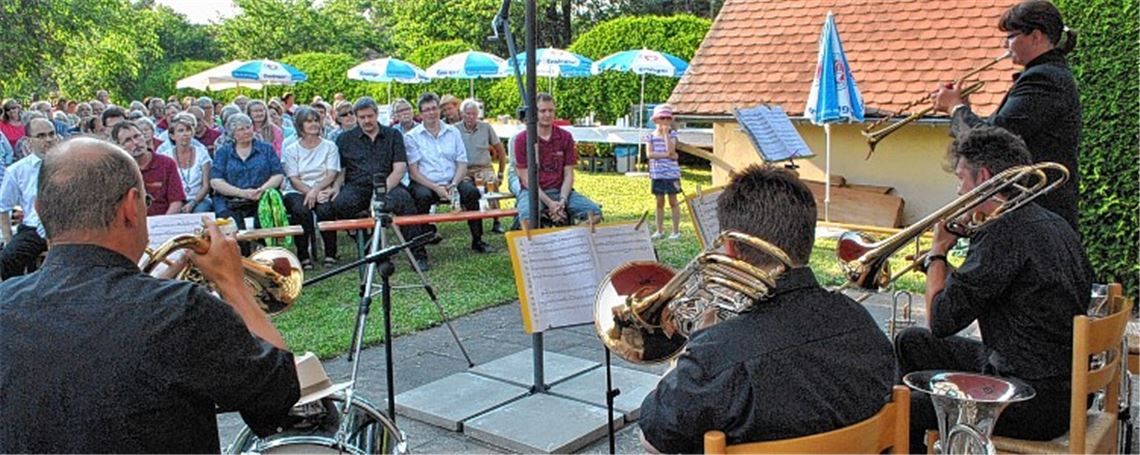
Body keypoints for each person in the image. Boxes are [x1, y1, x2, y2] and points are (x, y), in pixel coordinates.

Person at [0, 136, 299, 452]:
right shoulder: (180, 309)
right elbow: (279, 396)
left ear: (39, 209)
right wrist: (233, 285)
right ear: (131, 206)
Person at [639, 164, 895, 453]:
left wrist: (688, 353)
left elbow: (654, 437)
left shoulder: (715, 357)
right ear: (807, 239)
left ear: (732, 249)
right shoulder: (862, 323)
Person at [895, 126, 1091, 453]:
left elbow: (941, 321)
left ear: (983, 177)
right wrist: (943, 271)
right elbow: (1000, 287)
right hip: (1060, 387)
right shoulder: (1052, 222)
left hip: (1029, 401)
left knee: (901, 406)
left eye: (961, 179)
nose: (958, 192)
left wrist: (938, 253)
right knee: (911, 342)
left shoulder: (1002, 230)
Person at [932, 0, 1080, 231]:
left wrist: (955, 109)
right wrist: (964, 109)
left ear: (1036, 36)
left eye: (1011, 36)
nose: (1005, 44)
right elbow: (997, 129)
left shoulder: (1043, 79)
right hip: (1030, 211)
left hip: (1035, 213)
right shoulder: (1044, 74)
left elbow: (992, 142)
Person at [327, 97, 424, 266]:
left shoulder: (393, 135)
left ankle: (418, 253)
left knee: (406, 202)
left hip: (388, 184)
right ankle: (371, 246)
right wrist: (336, 187)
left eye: (370, 116)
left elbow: (399, 168)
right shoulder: (344, 139)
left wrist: (380, 191)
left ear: (377, 114)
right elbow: (341, 170)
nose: (367, 120)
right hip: (357, 186)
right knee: (340, 204)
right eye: (362, 117)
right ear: (356, 117)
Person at [405, 93, 491, 258]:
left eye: (434, 108)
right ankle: (419, 250)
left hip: (454, 180)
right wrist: (436, 188)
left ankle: (478, 240)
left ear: (439, 110)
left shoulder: (453, 132)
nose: (431, 113)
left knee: (472, 193)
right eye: (426, 110)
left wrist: (453, 183)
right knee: (420, 197)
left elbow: (462, 162)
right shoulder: (412, 137)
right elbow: (414, 173)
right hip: (425, 183)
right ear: (421, 114)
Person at [512, 92, 601, 226]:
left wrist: (562, 201)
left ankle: (571, 237)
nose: (547, 115)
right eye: (543, 111)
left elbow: (569, 174)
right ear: (534, 113)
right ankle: (538, 245)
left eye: (551, 110)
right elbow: (526, 180)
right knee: (526, 220)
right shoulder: (522, 139)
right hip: (534, 192)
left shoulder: (565, 137)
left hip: (561, 190)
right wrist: (550, 203)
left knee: (595, 214)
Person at [210, 113, 285, 254]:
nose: (247, 131)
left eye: (248, 127)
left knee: (266, 215)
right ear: (233, 134)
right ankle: (241, 257)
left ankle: (266, 253)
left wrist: (261, 190)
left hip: (261, 197)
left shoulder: (266, 149)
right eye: (241, 129)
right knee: (231, 223)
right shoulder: (223, 152)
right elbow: (216, 181)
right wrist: (242, 193)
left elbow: (278, 174)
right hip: (231, 199)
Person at [281, 106, 341, 269]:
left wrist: (316, 191)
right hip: (297, 190)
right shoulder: (291, 149)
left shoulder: (330, 146)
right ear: (300, 125)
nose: (313, 124)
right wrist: (310, 192)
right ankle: (303, 255)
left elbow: (331, 173)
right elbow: (293, 179)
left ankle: (330, 253)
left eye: (316, 120)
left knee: (326, 209)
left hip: (323, 187)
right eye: (308, 121)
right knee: (301, 210)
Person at [0, 118, 56, 279]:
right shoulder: (17, 170)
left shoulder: (71, 165)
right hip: (33, 229)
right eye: (41, 136)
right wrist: (9, 240)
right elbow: (3, 207)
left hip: (66, 228)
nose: (48, 140)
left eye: (51, 134)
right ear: (28, 141)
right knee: (7, 260)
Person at [111, 121, 184, 216]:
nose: (136, 142)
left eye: (137, 136)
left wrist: (162, 224)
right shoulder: (116, 170)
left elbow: (176, 201)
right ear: (119, 146)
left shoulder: (166, 163)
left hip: (163, 222)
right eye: (128, 140)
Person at [457, 98, 507, 233]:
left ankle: (497, 220)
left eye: (474, 113)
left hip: (484, 167)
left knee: (491, 182)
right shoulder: (455, 129)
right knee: (467, 189)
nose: (471, 117)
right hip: (464, 170)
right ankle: (472, 219)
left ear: (478, 114)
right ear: (462, 114)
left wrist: (501, 173)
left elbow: (501, 151)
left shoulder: (486, 127)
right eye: (467, 113)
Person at [157, 114, 213, 214]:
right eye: (180, 131)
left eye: (188, 130)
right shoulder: (165, 156)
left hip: (199, 200)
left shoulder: (202, 153)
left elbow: (206, 186)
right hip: (174, 201)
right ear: (172, 136)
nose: (185, 134)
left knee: (201, 210)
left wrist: (193, 202)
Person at [645, 104, 682, 240]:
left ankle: (675, 231)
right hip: (657, 174)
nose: (665, 121)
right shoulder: (650, 136)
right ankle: (659, 230)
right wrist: (667, 155)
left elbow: (671, 150)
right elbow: (649, 154)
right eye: (662, 118)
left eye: (668, 118)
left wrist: (666, 135)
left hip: (671, 174)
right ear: (655, 120)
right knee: (659, 202)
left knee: (673, 201)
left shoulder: (672, 134)